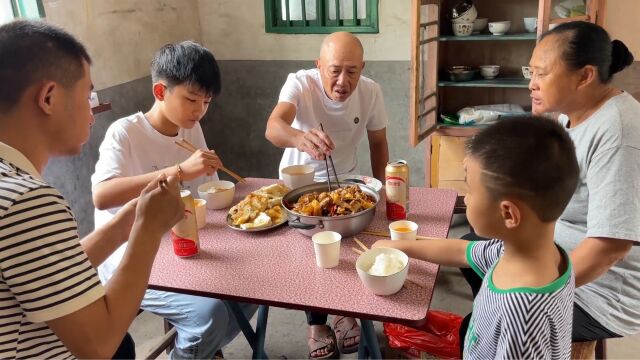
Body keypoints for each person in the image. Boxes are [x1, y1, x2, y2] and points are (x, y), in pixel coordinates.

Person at [0, 20, 184, 359]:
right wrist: (147, 230)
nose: (91, 113)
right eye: (87, 96)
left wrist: (124, 224)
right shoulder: (26, 201)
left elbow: (47, 271)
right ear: (49, 97)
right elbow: (98, 346)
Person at [462, 21, 640, 344]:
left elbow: (610, 248)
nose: (532, 84)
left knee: (482, 323)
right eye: (531, 73)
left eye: (541, 74)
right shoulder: (569, 114)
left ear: (584, 76)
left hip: (602, 295)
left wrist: (533, 290)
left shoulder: (619, 132)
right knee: (472, 243)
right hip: (556, 248)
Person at [91, 41, 257, 359]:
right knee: (207, 314)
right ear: (160, 91)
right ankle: (192, 350)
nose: (199, 110)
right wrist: (179, 171)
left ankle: (201, 349)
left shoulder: (189, 129)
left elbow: (208, 190)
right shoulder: (124, 133)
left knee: (254, 289)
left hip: (184, 246)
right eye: (191, 99)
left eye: (206, 102)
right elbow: (102, 195)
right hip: (131, 258)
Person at [375, 116, 580, 359]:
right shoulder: (529, 252)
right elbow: (462, 251)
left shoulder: (521, 315)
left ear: (508, 214)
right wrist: (398, 246)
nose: (467, 198)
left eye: (470, 190)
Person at [265, 31, 389, 358]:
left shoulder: (371, 91)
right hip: (299, 187)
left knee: (348, 251)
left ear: (362, 68)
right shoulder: (300, 83)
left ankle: (345, 312)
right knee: (312, 258)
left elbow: (378, 142)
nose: (342, 81)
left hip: (348, 183)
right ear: (318, 65)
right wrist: (298, 137)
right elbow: (274, 126)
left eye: (352, 71)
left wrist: (383, 192)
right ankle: (316, 324)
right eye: (334, 70)